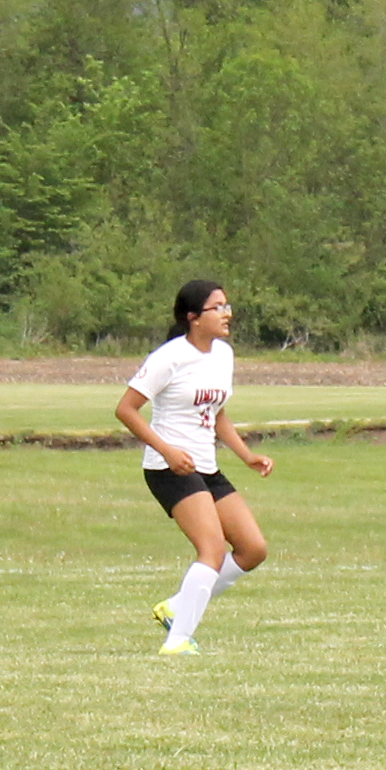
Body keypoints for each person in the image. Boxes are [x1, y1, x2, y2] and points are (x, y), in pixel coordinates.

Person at [116, 279, 272, 657]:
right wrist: (167, 450)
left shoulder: (222, 354)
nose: (227, 313)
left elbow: (216, 413)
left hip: (206, 466)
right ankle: (178, 641)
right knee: (212, 548)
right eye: (217, 307)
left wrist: (246, 454)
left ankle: (176, 607)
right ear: (193, 318)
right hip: (169, 468)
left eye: (227, 305)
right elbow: (126, 410)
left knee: (253, 548)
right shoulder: (168, 357)